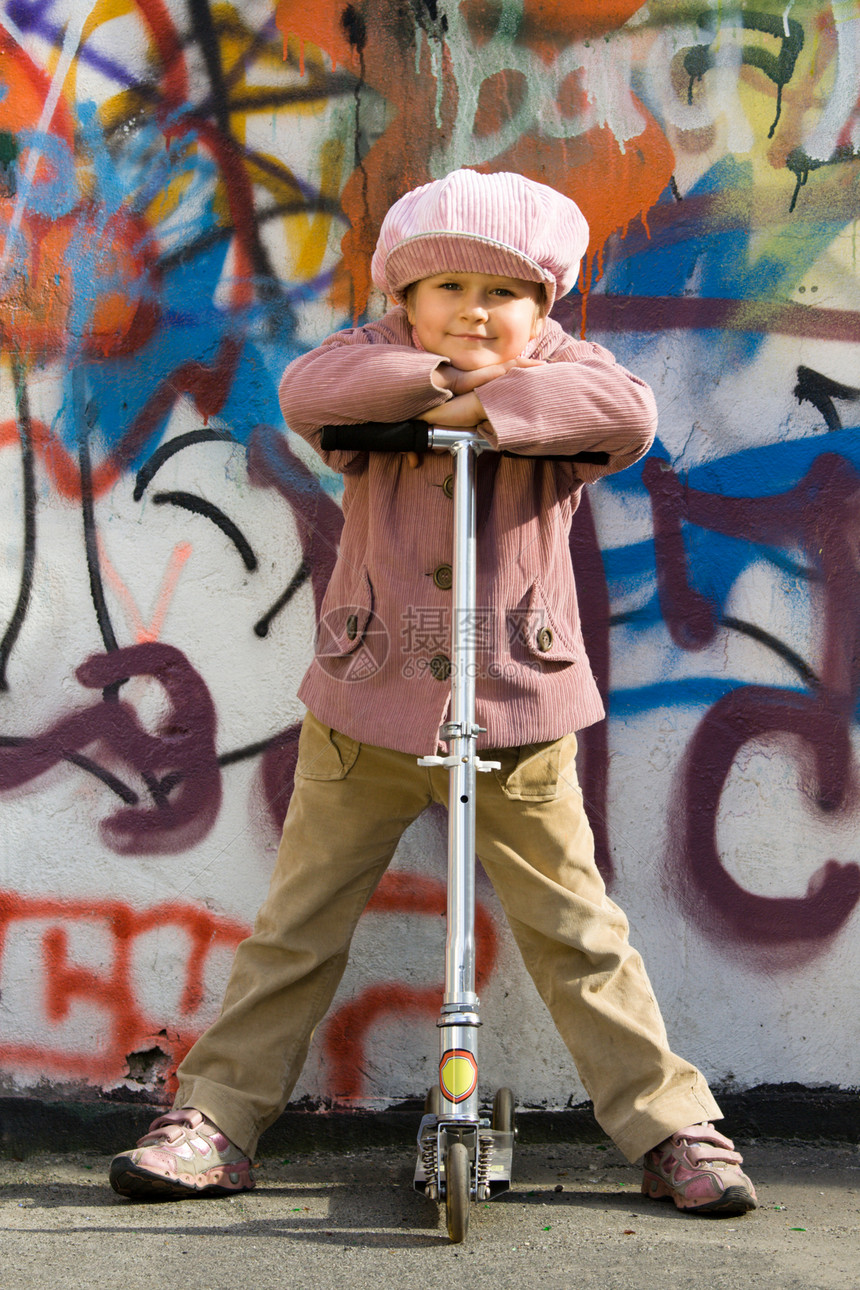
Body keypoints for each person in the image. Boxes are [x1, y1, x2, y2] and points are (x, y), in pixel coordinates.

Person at [109, 169, 757, 1216]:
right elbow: (313, 396)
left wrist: (483, 402)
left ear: (543, 310)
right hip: (365, 702)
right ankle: (215, 1118)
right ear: (401, 301)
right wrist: (430, 387)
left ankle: (670, 1126)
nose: (473, 311)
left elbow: (622, 414)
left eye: (503, 294)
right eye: (446, 288)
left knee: (576, 932)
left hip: (516, 709)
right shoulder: (367, 362)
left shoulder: (564, 373)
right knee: (300, 921)